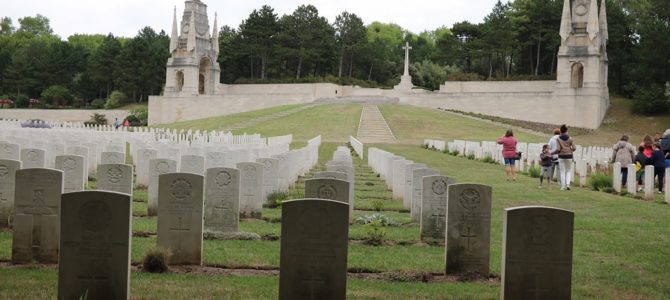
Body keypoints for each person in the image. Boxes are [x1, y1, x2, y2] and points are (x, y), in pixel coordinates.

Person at [554, 124, 576, 191]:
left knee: (562, 171)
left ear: (561, 131)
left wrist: (553, 153)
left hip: (561, 156)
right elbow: (574, 148)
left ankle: (563, 187)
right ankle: (568, 185)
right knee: (568, 171)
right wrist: (569, 150)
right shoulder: (570, 138)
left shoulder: (558, 139)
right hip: (569, 156)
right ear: (566, 131)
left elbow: (558, 149)